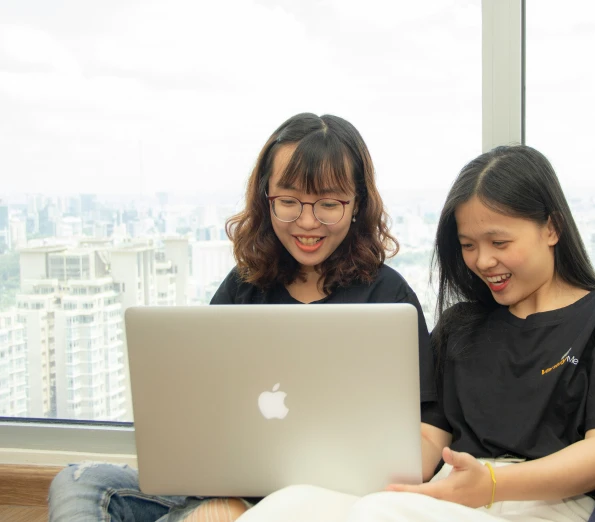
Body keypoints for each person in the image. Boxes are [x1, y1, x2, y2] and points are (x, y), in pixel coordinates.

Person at [237, 145, 595, 522]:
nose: (482, 261)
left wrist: (495, 483)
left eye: (499, 243)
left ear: (551, 228)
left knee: (377, 514)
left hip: (546, 501)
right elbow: (429, 440)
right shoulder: (461, 327)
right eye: (468, 245)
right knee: (288, 506)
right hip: (449, 494)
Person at [47, 113, 433, 522]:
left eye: (328, 204)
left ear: (357, 205)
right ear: (266, 200)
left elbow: (431, 428)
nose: (306, 221)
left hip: (332, 502)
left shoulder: (388, 297)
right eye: (288, 201)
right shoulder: (244, 285)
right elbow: (198, 401)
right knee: (80, 479)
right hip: (230, 486)